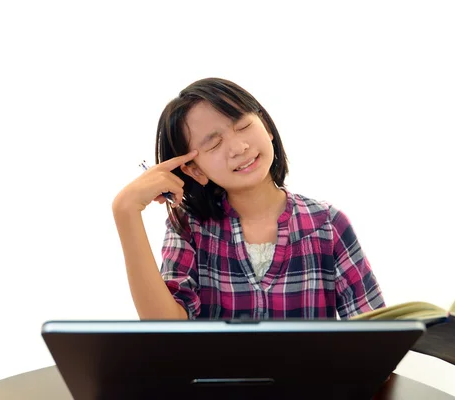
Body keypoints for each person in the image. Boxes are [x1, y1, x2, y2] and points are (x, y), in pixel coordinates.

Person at [112, 77, 385, 320]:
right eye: (214, 144)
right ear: (195, 170)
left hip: (311, 379)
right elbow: (166, 330)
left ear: (266, 126)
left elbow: (375, 338)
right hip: (219, 379)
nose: (239, 147)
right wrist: (126, 212)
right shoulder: (190, 227)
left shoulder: (328, 224)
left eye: (242, 126)